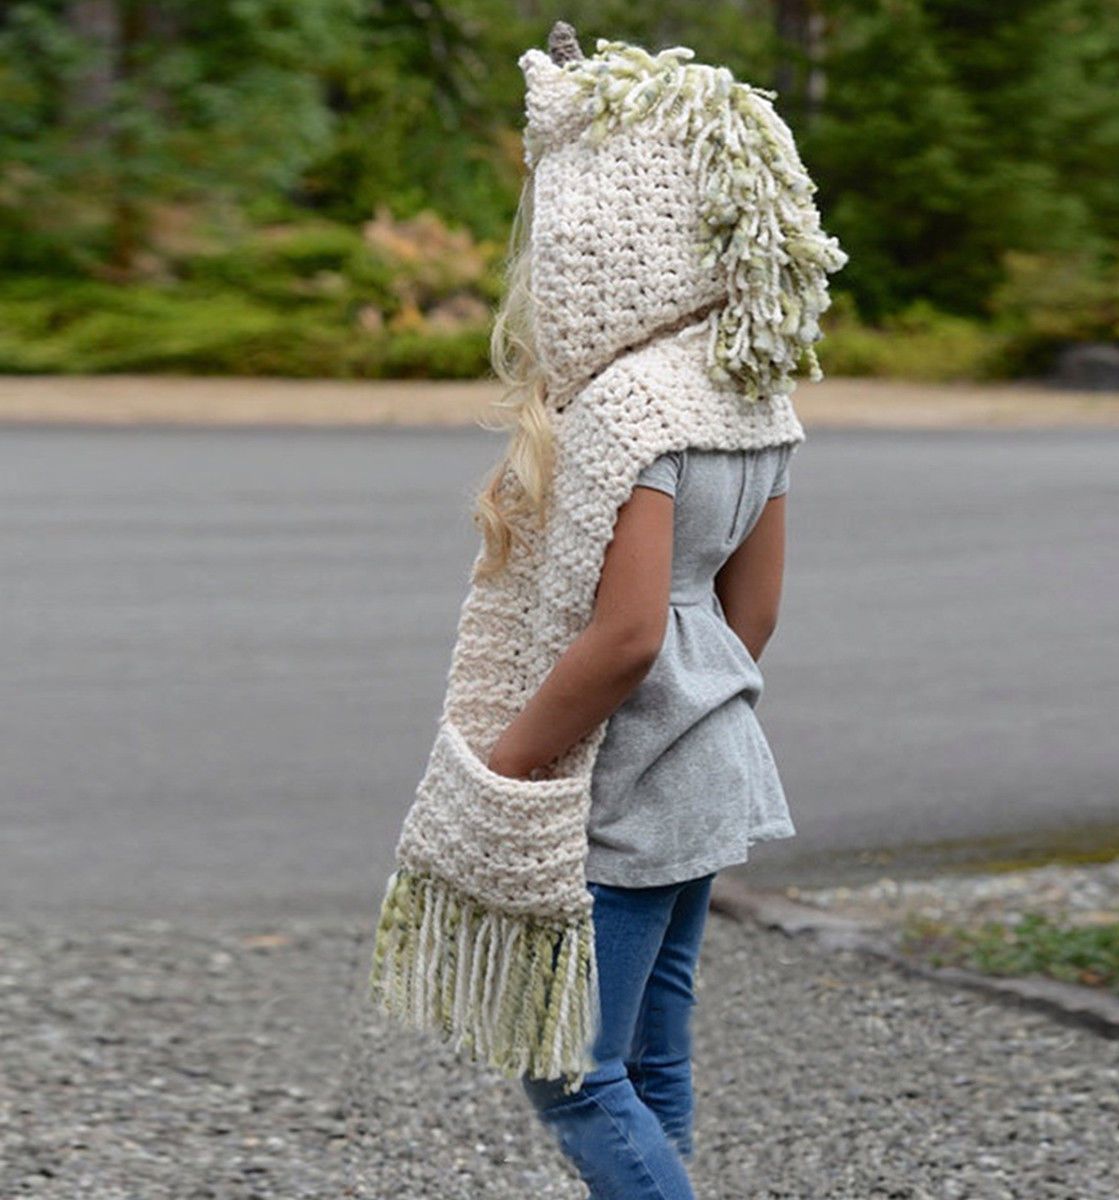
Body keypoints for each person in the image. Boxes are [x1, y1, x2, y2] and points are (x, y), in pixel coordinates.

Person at [369, 23, 845, 1200]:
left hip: (624, 789)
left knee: (574, 1078)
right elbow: (753, 615)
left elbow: (626, 636)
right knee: (650, 1055)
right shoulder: (750, 382)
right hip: (713, 764)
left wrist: (508, 773)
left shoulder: (627, 405)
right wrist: (702, 707)